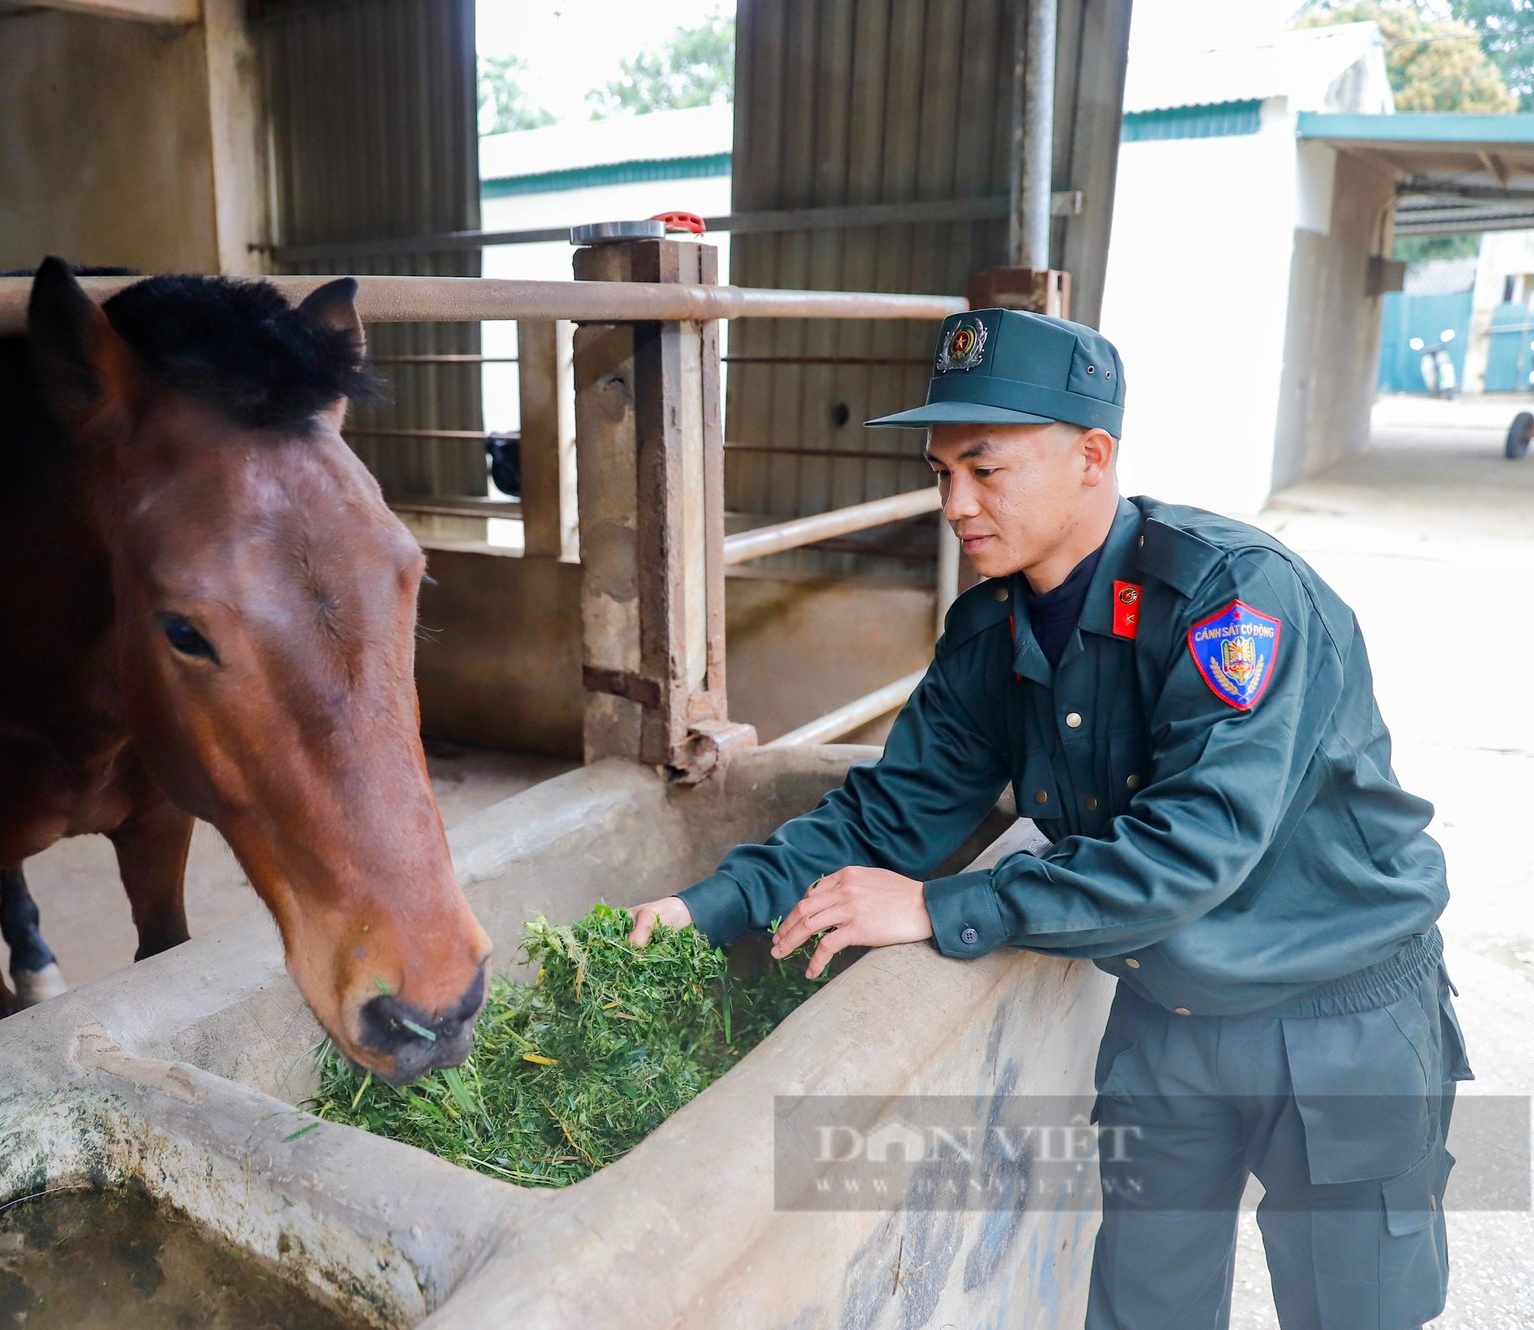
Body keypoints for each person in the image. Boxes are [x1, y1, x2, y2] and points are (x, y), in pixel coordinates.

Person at [625, 308, 1473, 1330]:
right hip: (1172, 1016)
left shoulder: (1229, 601)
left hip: (1337, 1017)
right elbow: (889, 811)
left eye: (985, 469)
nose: (954, 504)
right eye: (940, 474)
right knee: (1140, 1310)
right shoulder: (989, 631)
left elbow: (1190, 846)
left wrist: (944, 907)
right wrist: (705, 907)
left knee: (1354, 1313)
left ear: (1091, 456)